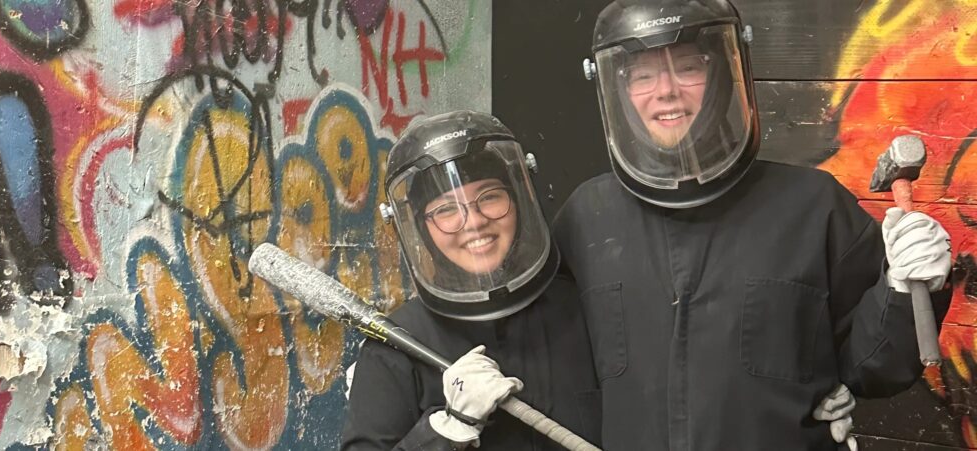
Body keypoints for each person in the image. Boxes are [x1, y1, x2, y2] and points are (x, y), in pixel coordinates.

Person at [554, 0, 954, 450]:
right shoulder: (587, 217)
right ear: (619, 89)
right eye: (643, 75)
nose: (666, 91)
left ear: (725, 74)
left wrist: (905, 290)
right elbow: (551, 356)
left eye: (688, 69)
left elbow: (875, 367)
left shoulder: (813, 206)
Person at [340, 111, 602, 450]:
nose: (474, 222)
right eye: (447, 210)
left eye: (490, 196)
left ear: (519, 201)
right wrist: (447, 430)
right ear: (423, 228)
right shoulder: (395, 347)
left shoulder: (583, 309)